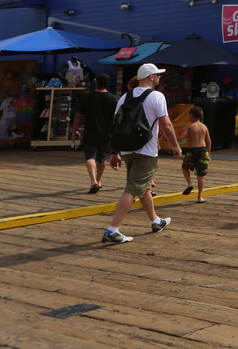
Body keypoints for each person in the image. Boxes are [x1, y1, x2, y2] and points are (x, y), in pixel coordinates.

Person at [101, 64, 182, 244]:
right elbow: (166, 124)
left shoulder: (124, 96)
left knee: (142, 186)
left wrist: (115, 152)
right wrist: (175, 145)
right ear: (151, 77)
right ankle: (112, 230)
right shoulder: (157, 96)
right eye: (157, 75)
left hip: (127, 149)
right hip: (146, 150)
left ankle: (155, 221)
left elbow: (116, 125)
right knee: (133, 188)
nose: (159, 78)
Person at [71, 73, 117, 194]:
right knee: (102, 158)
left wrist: (74, 130)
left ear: (95, 81)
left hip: (90, 131)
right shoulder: (112, 98)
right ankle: (99, 180)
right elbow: (115, 118)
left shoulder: (87, 97)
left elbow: (78, 116)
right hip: (106, 132)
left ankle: (93, 181)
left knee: (90, 156)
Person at [178, 106, 212, 202]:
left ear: (191, 115)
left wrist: (173, 138)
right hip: (202, 150)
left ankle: (189, 183)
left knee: (185, 167)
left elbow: (181, 138)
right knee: (200, 175)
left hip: (191, 150)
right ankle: (200, 197)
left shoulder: (189, 125)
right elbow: (209, 142)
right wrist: (208, 155)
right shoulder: (204, 127)